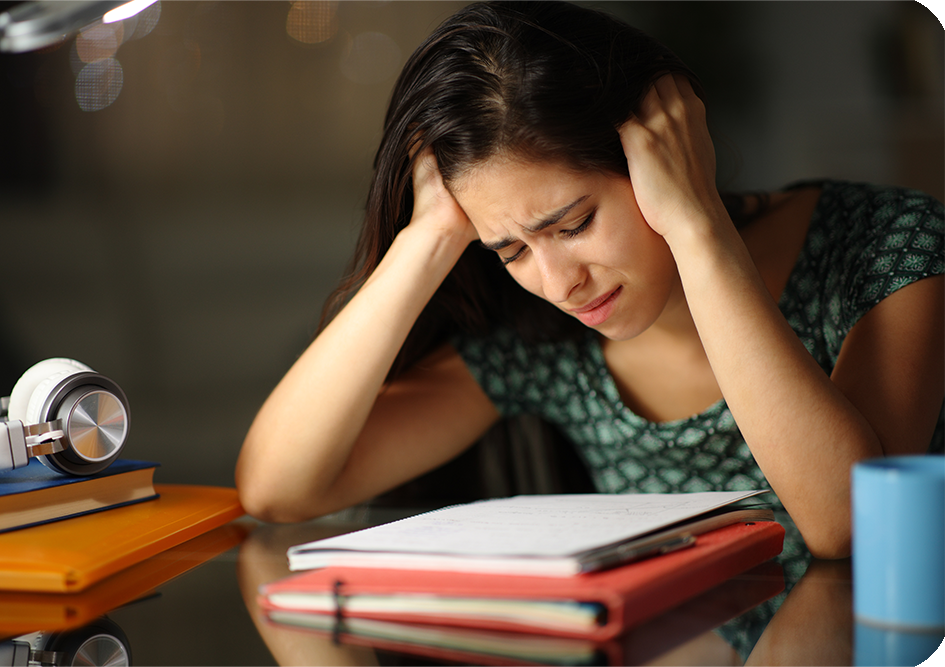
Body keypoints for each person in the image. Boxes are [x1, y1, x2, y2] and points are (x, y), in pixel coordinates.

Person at [236, 0, 945, 559]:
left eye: (573, 224)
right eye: (509, 251)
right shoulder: (541, 348)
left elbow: (850, 525)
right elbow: (277, 489)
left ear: (663, 152)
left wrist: (697, 226)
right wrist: (426, 243)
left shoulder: (886, 245)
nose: (559, 285)